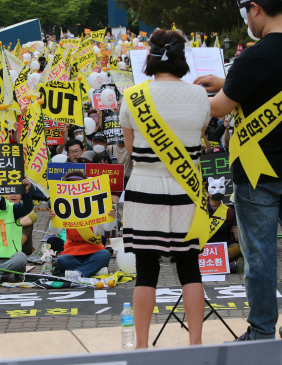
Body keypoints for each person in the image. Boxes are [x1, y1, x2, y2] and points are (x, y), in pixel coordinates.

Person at [195, 0, 282, 341]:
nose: (247, 22)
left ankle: (262, 329)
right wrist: (228, 83)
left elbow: (218, 109)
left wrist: (188, 96)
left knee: (261, 256)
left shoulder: (255, 56)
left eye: (245, 14)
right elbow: (271, 86)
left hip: (257, 172)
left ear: (256, 8)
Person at [121, 29, 209, 348]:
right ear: (182, 58)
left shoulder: (133, 96)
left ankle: (142, 347)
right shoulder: (201, 96)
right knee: (190, 268)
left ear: (151, 58)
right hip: (187, 189)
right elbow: (200, 138)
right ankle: (195, 344)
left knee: (146, 271)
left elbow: (132, 151)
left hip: (145, 190)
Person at [48, 171, 116, 278]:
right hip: (72, 252)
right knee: (62, 260)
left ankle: (79, 272)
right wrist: (53, 219)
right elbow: (56, 231)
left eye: (78, 184)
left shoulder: (95, 205)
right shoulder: (63, 206)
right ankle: (93, 270)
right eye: (71, 184)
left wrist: (112, 217)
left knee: (105, 254)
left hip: (94, 250)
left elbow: (108, 227)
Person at [205, 177, 242, 272]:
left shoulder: (229, 212)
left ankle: (219, 264)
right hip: (203, 251)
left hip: (223, 251)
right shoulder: (200, 210)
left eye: (221, 187)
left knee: (238, 248)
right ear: (207, 192)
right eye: (213, 188)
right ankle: (226, 265)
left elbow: (237, 235)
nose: (218, 190)